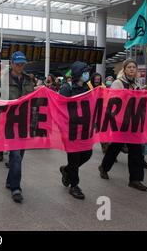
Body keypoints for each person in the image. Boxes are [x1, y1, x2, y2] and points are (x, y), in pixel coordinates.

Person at [98, 59, 147, 192]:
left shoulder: (137, 83)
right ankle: (104, 167)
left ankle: (135, 180)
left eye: (134, 67)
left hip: (134, 121)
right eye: (129, 67)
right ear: (124, 69)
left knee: (136, 151)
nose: (132, 69)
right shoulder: (118, 83)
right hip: (121, 122)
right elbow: (113, 102)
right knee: (115, 147)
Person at [4, 51, 34, 203]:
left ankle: (10, 180)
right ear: (11, 63)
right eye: (18, 63)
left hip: (24, 122)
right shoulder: (2, 80)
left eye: (23, 63)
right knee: (15, 155)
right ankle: (16, 188)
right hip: (9, 123)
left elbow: (34, 102)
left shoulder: (29, 80)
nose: (20, 66)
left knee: (19, 156)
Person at [59, 61, 92, 200]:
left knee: (87, 154)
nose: (87, 75)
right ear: (78, 73)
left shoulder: (87, 87)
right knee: (74, 158)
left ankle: (66, 170)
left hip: (84, 128)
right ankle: (74, 185)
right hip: (70, 129)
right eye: (85, 72)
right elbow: (60, 106)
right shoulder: (67, 88)